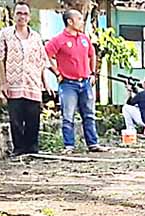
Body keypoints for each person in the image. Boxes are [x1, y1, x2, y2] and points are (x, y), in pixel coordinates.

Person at [0, 1, 52, 157]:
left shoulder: (36, 37)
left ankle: (32, 149)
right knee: (16, 119)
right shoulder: (5, 34)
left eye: (25, 14)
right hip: (13, 83)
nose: (22, 17)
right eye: (19, 13)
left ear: (29, 16)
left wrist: (46, 83)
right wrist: (3, 82)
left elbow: (42, 62)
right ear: (13, 15)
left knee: (33, 119)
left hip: (33, 83)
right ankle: (19, 150)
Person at [45, 9, 105, 152]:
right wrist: (56, 72)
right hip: (68, 84)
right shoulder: (58, 40)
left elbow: (92, 54)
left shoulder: (84, 38)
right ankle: (69, 145)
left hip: (85, 82)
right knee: (68, 116)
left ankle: (93, 143)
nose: (82, 21)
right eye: (79, 18)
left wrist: (92, 74)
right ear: (70, 21)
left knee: (89, 114)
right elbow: (46, 54)